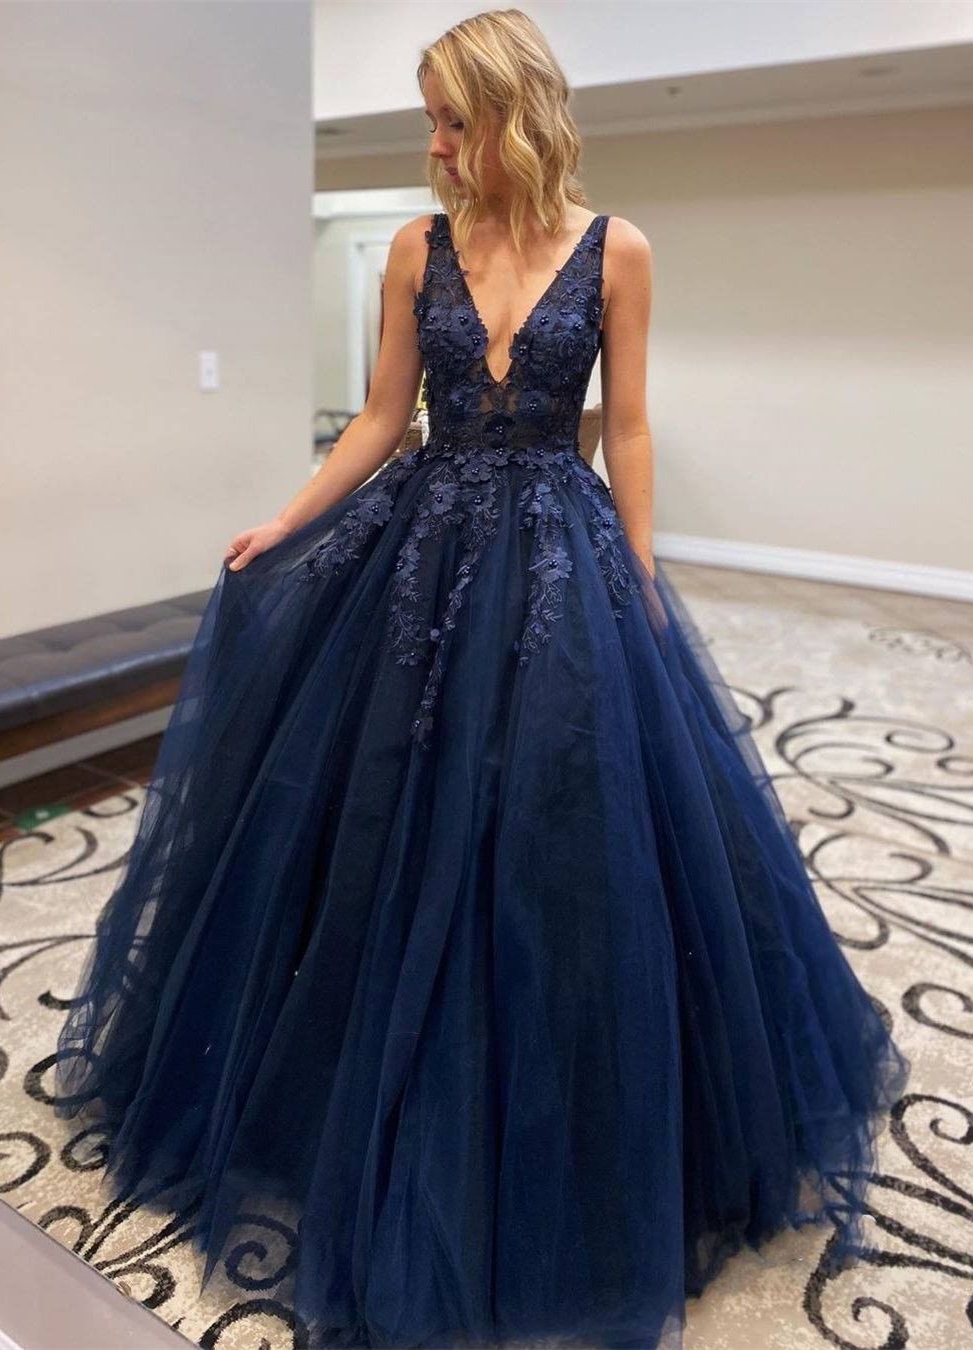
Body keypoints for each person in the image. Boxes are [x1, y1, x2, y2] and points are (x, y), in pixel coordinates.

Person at [54, 9, 910, 1349]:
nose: (437, 145)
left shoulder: (619, 249)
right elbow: (382, 417)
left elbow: (629, 426)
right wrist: (283, 520)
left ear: (516, 114)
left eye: (455, 120)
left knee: (565, 820)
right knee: (382, 809)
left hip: (563, 551)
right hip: (423, 552)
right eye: (431, 120)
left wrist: (640, 578)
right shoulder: (416, 247)